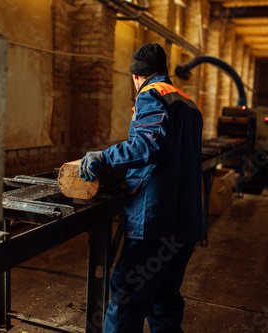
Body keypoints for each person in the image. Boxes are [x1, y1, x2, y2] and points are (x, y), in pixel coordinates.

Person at [79, 43, 205, 333]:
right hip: (185, 223)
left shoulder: (151, 94)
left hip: (153, 221)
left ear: (136, 76)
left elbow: (150, 143)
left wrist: (104, 157)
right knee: (164, 300)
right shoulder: (189, 103)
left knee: (127, 298)